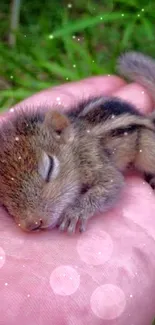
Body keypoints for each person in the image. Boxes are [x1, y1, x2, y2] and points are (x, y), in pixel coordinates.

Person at [1, 75, 155, 325]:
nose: (29, 221)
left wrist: (84, 206)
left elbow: (112, 183)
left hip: (136, 138)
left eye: (49, 171)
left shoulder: (86, 152)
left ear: (60, 130)